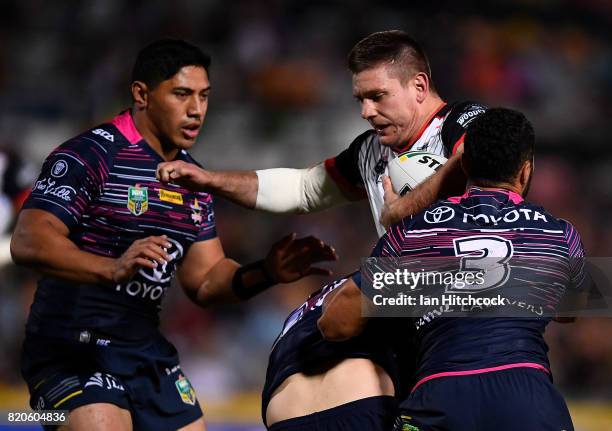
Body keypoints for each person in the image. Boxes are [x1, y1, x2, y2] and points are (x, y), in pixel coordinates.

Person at [10, 39, 336, 431]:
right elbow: (29, 240)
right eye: (182, 94)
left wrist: (267, 271)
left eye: (204, 96)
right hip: (71, 348)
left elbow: (205, 280)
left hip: (144, 352)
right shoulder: (89, 155)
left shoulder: (192, 178)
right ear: (141, 95)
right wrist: (112, 268)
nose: (196, 110)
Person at [318, 108, 586, 430]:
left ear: (464, 165)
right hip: (528, 400)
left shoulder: (412, 233)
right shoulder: (558, 234)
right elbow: (571, 311)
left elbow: (335, 324)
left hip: (439, 401)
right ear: (526, 171)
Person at [156, 30, 487, 236]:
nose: (366, 112)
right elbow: (302, 190)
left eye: (377, 97)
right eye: (361, 99)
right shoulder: (368, 152)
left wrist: (402, 209)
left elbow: (474, 159)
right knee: (311, 333)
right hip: (410, 308)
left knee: (336, 314)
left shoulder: (462, 121)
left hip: (479, 298)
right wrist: (210, 180)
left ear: (419, 86)